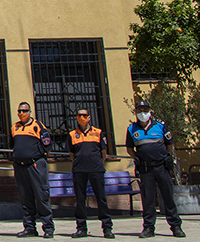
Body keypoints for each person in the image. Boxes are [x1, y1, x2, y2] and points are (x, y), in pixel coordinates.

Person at [126, 100, 185, 238]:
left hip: (161, 167)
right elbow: (130, 149)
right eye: (140, 110)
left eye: (145, 109)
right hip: (146, 169)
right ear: (136, 113)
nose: (143, 113)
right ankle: (148, 228)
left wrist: (168, 156)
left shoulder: (160, 126)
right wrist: (138, 158)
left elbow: (169, 143)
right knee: (148, 200)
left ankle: (176, 226)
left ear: (150, 111)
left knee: (168, 197)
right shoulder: (132, 129)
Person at [11, 101, 54, 239]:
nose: (22, 113)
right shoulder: (15, 127)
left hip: (35, 166)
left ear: (30, 112)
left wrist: (37, 158)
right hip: (20, 166)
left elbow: (47, 146)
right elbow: (12, 145)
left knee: (41, 196)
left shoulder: (38, 126)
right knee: (25, 198)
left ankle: (48, 227)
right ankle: (29, 227)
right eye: (20, 111)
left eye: (24, 111)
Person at [69, 109, 113, 239]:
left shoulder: (98, 132)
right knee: (80, 200)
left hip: (96, 170)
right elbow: (72, 154)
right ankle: (81, 228)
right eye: (79, 115)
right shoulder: (72, 134)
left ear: (89, 117)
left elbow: (104, 152)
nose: (82, 117)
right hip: (79, 170)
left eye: (84, 115)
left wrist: (97, 163)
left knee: (101, 198)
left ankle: (107, 228)